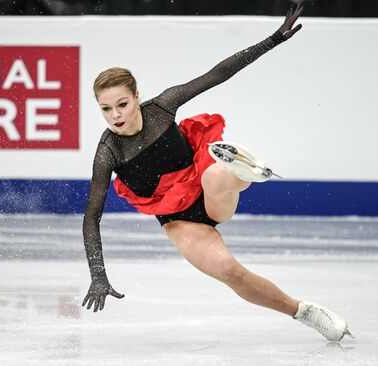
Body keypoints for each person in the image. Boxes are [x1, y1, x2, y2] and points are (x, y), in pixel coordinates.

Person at [82, 4, 351, 342]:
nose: (115, 115)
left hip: (208, 190)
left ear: (137, 96)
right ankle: (305, 312)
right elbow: (92, 217)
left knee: (215, 176)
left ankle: (245, 172)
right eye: (106, 109)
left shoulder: (163, 107)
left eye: (122, 104)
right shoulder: (108, 152)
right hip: (181, 220)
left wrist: (273, 40)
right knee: (229, 271)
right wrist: (98, 275)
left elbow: (219, 72)